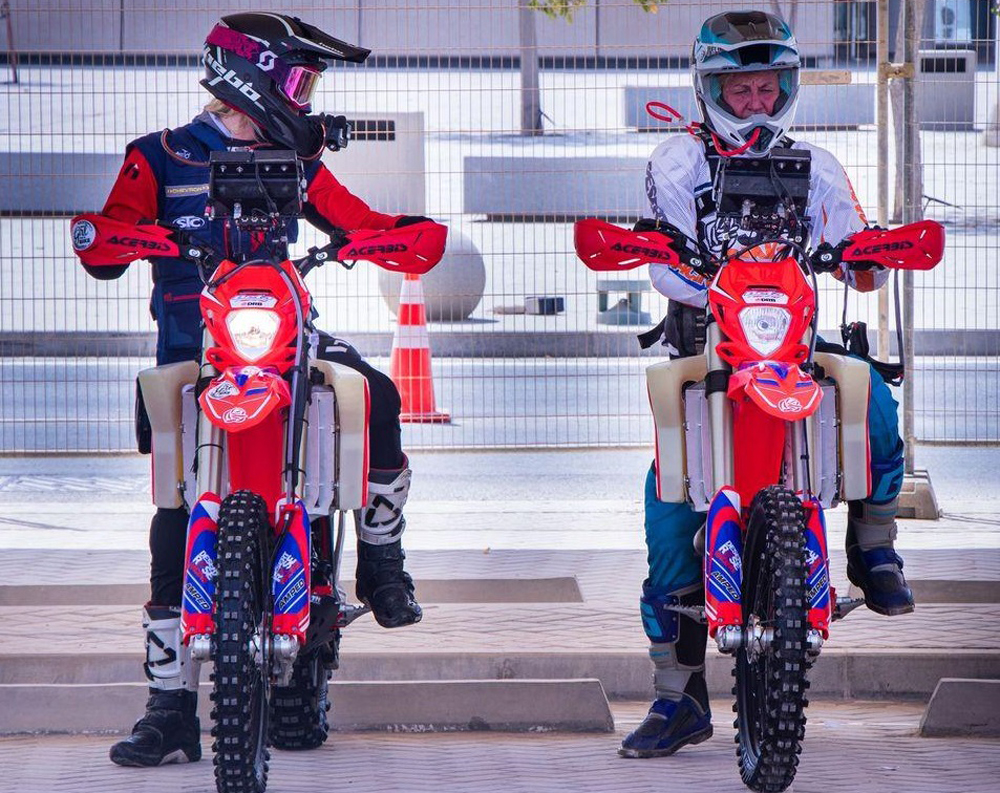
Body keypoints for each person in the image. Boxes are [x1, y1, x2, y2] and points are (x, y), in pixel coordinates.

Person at [73, 13, 428, 768]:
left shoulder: (297, 157)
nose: (303, 98)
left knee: (382, 397)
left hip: (287, 351)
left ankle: (380, 559)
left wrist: (399, 235)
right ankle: (169, 708)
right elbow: (106, 244)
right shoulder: (158, 158)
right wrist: (117, 236)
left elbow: (360, 222)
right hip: (194, 358)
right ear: (249, 75)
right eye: (297, 80)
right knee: (172, 526)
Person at [619, 10, 913, 759]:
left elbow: (853, 245)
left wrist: (863, 259)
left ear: (786, 88)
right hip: (708, 347)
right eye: (739, 88)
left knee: (876, 403)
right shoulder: (675, 160)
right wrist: (714, 279)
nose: (753, 102)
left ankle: (874, 546)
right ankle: (676, 694)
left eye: (766, 87)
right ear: (710, 88)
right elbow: (663, 263)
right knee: (666, 511)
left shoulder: (816, 162)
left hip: (794, 344)